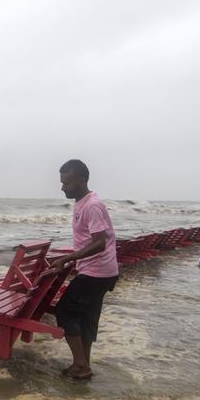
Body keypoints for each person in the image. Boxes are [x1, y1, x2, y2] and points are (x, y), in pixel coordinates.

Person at [46, 160, 119, 381]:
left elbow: (99, 243)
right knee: (86, 317)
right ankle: (83, 364)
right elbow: (87, 240)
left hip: (96, 272)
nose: (62, 188)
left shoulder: (92, 205)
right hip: (101, 270)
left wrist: (69, 257)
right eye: (62, 183)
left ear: (82, 180)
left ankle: (80, 364)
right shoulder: (82, 203)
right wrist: (69, 258)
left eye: (67, 183)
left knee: (65, 311)